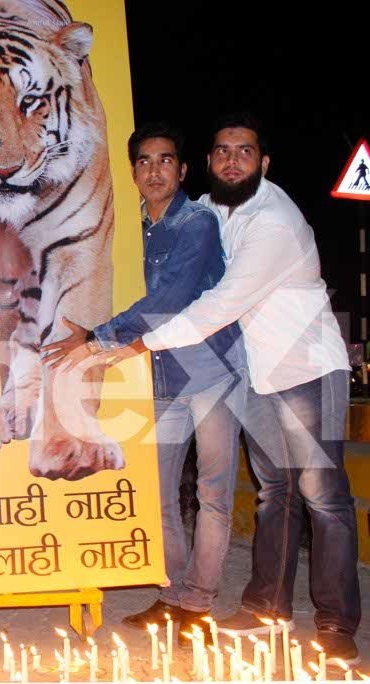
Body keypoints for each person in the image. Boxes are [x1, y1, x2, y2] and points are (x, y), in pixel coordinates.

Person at [97, 113, 360, 664]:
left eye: (244, 151)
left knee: (323, 498)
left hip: (307, 367)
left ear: (264, 162)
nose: (232, 160)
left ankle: (336, 621)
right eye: (223, 151)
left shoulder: (274, 221)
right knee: (275, 495)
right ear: (210, 162)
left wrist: (137, 345)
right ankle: (268, 606)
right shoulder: (212, 211)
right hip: (258, 374)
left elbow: (220, 304)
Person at [41, 123, 246, 634]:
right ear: (133, 172)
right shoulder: (131, 230)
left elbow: (169, 300)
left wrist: (97, 336)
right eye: (144, 162)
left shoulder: (196, 222)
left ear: (181, 169)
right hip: (159, 369)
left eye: (165, 160)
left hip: (212, 368)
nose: (154, 171)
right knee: (158, 493)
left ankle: (197, 603)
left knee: (212, 492)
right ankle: (171, 593)